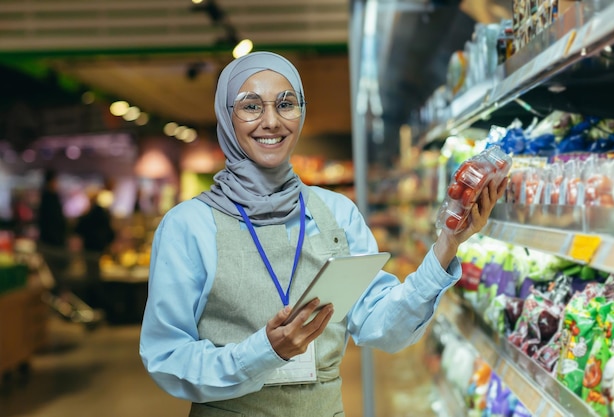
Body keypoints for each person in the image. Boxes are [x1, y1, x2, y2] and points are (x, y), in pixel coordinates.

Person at [139, 51, 507, 416]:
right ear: (225, 115)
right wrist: (263, 353)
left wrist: (447, 243)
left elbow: (383, 326)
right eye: (250, 106)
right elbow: (167, 356)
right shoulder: (188, 225)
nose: (271, 121)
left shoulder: (336, 214)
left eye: (286, 104)